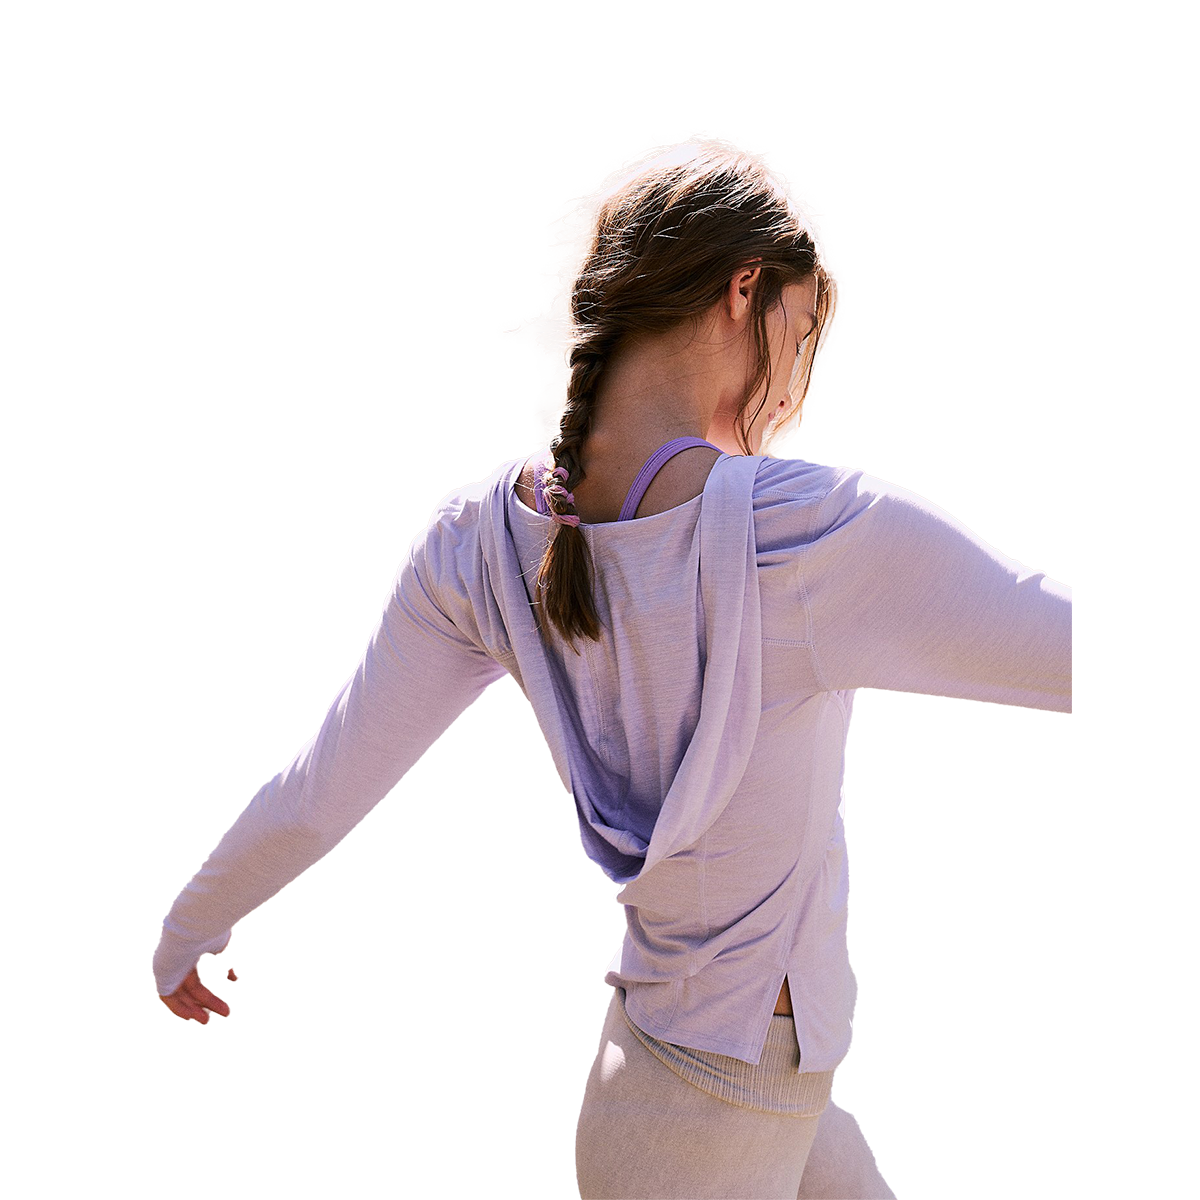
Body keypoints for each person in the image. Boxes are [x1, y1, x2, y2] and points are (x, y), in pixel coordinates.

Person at [154, 139, 1071, 1199]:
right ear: (744, 291)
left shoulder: (476, 543)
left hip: (700, 1079)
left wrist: (187, 925)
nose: (795, 375)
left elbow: (322, 787)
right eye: (803, 325)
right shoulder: (807, 536)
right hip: (711, 1104)